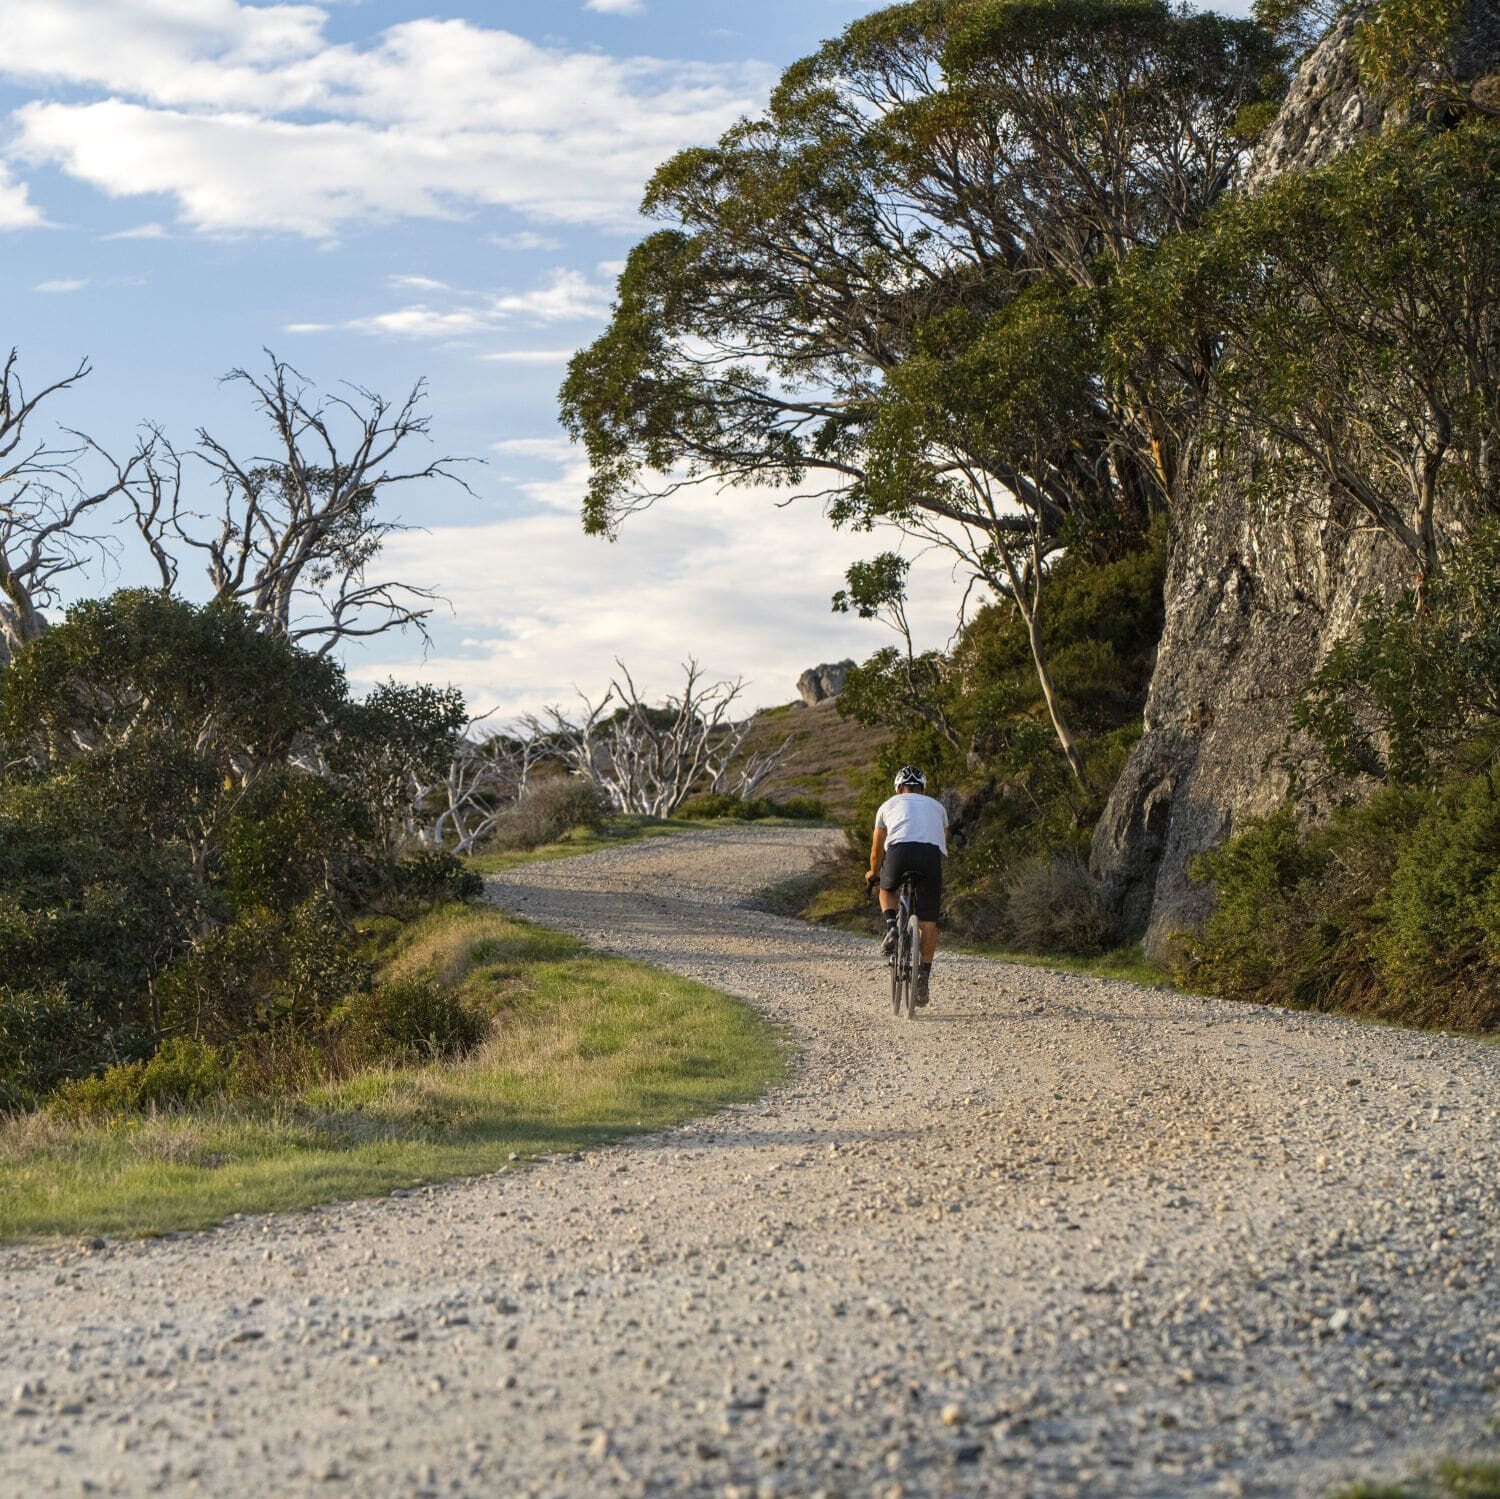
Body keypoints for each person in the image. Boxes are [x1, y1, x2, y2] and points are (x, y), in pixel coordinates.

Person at [865, 765, 947, 1005]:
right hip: (929, 857)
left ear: (898, 788)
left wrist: (873, 872)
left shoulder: (887, 805)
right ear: (922, 789)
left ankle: (892, 926)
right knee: (928, 922)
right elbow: (943, 836)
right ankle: (923, 977)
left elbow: (876, 849)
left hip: (899, 853)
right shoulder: (938, 807)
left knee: (887, 890)